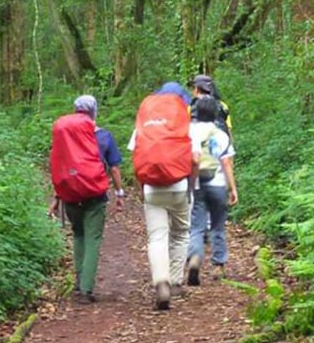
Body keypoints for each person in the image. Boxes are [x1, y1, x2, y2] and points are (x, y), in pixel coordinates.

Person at [129, 82, 200, 310]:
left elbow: (135, 154)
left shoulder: (146, 123)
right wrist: (191, 182)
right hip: (179, 185)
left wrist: (141, 187)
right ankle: (176, 282)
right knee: (180, 233)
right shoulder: (187, 122)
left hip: (151, 187)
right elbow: (196, 159)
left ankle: (161, 282)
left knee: (157, 237)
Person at [49, 95, 126, 304]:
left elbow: (61, 165)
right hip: (94, 194)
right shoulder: (103, 136)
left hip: (70, 194)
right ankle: (86, 289)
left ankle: (78, 282)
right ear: (94, 111)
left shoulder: (65, 136)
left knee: (78, 235)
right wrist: (119, 194)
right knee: (93, 239)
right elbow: (115, 168)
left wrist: (57, 199)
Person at [186, 95, 238, 285]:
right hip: (217, 182)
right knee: (218, 224)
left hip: (196, 182)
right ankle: (218, 265)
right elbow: (227, 162)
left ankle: (194, 258)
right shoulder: (221, 134)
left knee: (197, 226)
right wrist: (233, 188)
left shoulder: (189, 132)